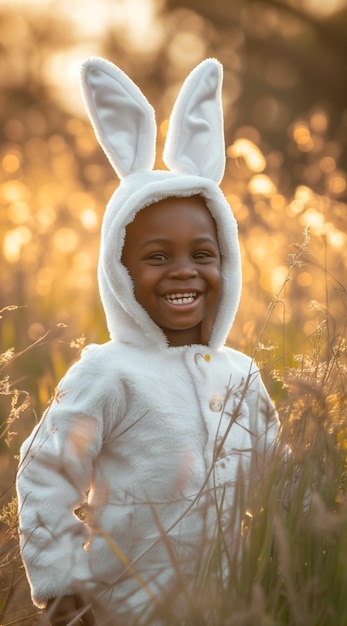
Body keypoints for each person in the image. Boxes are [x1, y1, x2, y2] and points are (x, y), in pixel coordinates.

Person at [16, 57, 280, 625]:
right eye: (157, 256)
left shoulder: (241, 375)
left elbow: (278, 477)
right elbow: (46, 471)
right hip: (126, 609)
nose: (184, 271)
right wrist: (64, 585)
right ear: (118, 269)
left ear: (227, 263)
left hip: (235, 608)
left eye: (202, 255)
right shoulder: (108, 373)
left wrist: (306, 553)